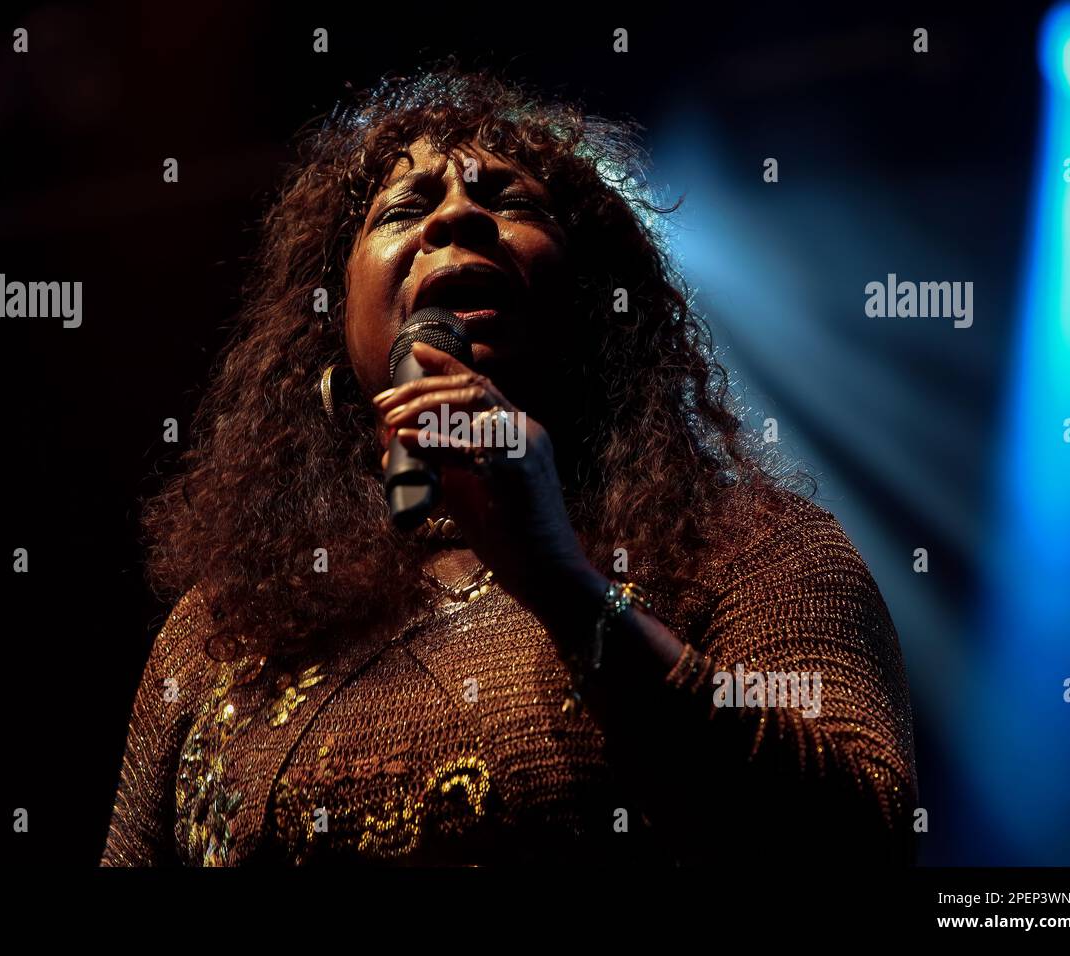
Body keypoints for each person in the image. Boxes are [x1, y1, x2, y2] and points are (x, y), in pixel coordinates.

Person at [101, 64, 918, 866]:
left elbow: (861, 836)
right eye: (406, 208)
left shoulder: (751, 549)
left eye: (512, 202)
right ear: (331, 322)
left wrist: (562, 586)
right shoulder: (228, 622)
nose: (457, 220)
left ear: (601, 304)